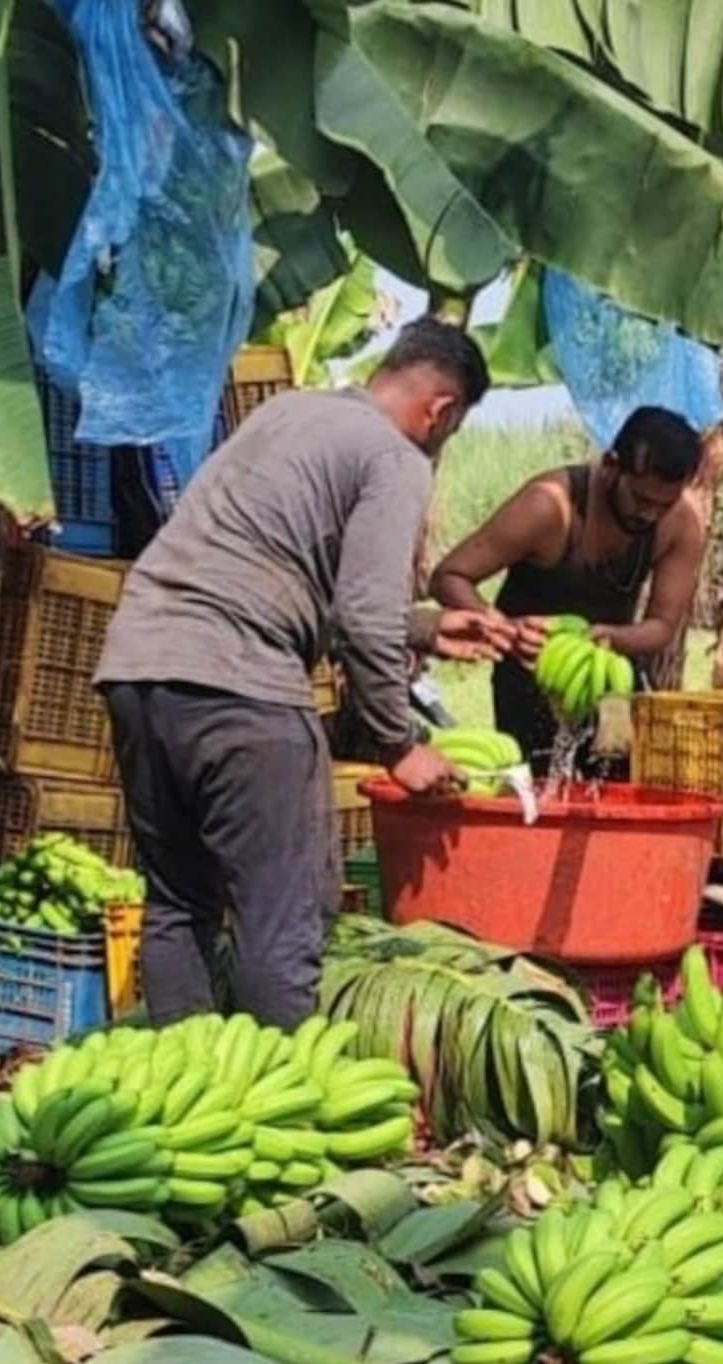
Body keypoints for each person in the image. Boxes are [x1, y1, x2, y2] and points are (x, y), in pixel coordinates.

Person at [94, 318, 513, 1029]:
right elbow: (361, 614)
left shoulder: (290, 410)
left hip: (139, 665)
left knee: (178, 903)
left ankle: (183, 1088)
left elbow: (278, 565)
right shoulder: (395, 456)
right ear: (441, 411)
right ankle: (280, 1103)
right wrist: (399, 744)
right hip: (240, 686)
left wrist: (429, 625)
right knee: (278, 920)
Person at [430, 406, 706, 771]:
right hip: (529, 678)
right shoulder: (549, 506)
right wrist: (504, 630)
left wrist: (608, 637)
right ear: (611, 465)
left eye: (663, 504)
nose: (650, 515)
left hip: (611, 679)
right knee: (536, 794)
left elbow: (661, 627)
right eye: (641, 499)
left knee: (615, 789)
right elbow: (449, 576)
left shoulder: (682, 524)